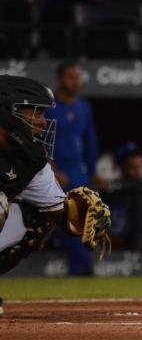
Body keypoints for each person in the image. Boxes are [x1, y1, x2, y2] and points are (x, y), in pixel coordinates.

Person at [0, 75, 111, 313]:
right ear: (8, 113)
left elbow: (59, 213)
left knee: (38, 220)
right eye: (36, 113)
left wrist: (81, 218)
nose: (43, 122)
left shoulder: (32, 161)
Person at [44, 61, 99, 275]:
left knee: (82, 220)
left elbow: (90, 142)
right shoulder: (48, 107)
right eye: (70, 76)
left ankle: (81, 265)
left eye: (78, 77)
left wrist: (93, 171)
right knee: (66, 217)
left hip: (78, 172)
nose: (75, 81)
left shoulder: (84, 107)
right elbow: (40, 141)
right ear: (60, 79)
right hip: (54, 172)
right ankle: (83, 266)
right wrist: (51, 170)